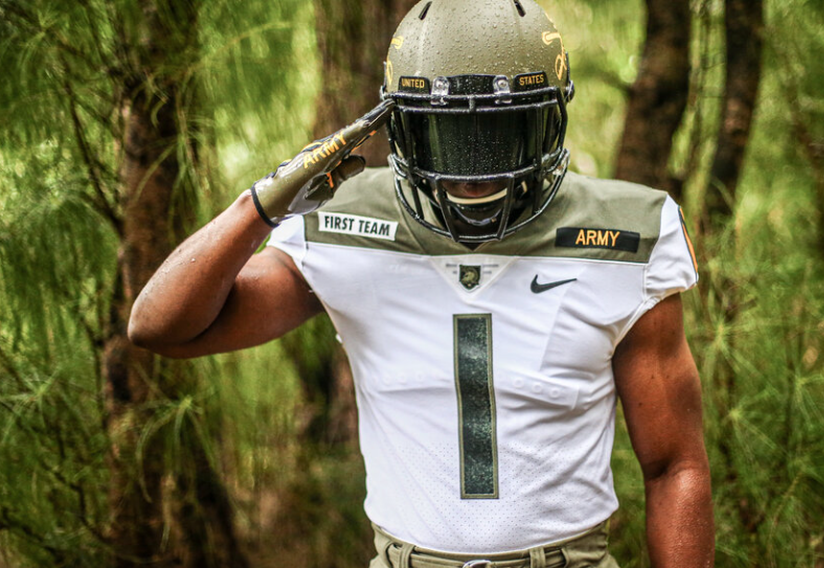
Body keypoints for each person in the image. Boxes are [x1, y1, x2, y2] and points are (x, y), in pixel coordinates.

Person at [128, 0, 715, 566]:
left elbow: (675, 466)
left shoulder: (626, 236)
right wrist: (257, 207)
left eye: (498, 130)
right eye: (445, 133)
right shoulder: (343, 220)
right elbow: (160, 326)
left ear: (546, 120)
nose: (470, 171)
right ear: (402, 127)